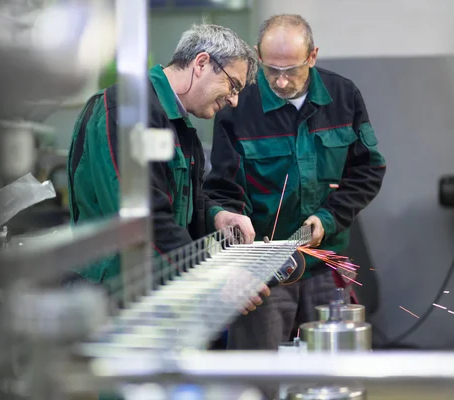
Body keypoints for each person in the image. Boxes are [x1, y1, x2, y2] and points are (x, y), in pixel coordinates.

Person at [204, 14, 386, 353]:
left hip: (325, 263)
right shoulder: (238, 106)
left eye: (292, 71)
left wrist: (328, 218)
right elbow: (223, 190)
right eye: (272, 70)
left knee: (331, 374)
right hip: (263, 275)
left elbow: (368, 170)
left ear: (312, 56)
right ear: (258, 56)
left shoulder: (343, 96)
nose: (282, 82)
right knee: (259, 377)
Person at [66, 24, 268, 314]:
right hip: (111, 296)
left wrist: (217, 215)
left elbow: (179, 198)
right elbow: (142, 219)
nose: (234, 100)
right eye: (233, 85)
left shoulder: (178, 124)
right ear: (201, 63)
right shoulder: (126, 111)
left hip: (153, 288)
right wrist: (215, 278)